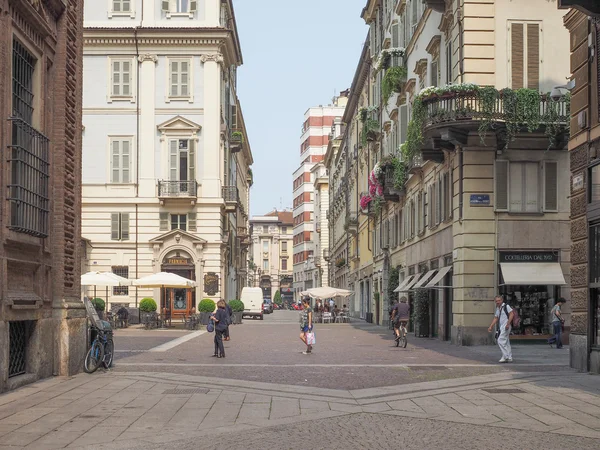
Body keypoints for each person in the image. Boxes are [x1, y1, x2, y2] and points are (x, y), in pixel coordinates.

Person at [488, 295, 514, 363]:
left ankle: (505, 356)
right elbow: (496, 318)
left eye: (499, 300)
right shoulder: (498, 308)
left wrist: (508, 323)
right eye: (496, 301)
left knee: (500, 340)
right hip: (502, 326)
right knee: (506, 342)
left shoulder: (506, 306)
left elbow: (511, 314)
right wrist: (491, 326)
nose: (498, 302)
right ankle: (509, 357)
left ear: (502, 300)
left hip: (506, 326)